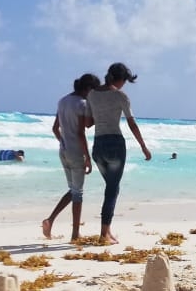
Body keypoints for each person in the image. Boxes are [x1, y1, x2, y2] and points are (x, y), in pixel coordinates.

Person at [88, 62, 151, 244]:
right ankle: (104, 233)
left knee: (110, 188)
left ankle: (106, 231)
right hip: (115, 144)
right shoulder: (121, 96)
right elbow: (131, 123)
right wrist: (143, 146)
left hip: (98, 146)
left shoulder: (92, 94)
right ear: (122, 79)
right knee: (112, 189)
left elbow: (87, 122)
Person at [42, 73, 100, 241]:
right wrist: (87, 157)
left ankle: (50, 220)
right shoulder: (82, 104)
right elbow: (82, 132)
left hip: (64, 151)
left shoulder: (63, 101)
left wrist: (64, 142)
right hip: (76, 152)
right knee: (78, 194)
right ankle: (75, 234)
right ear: (88, 88)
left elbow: (55, 128)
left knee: (74, 191)